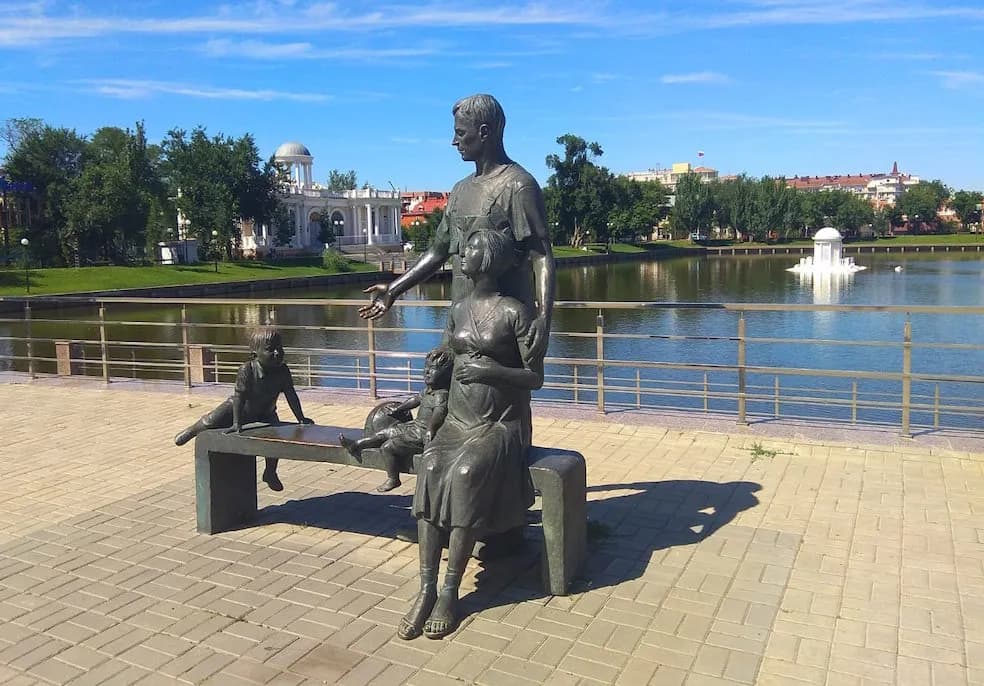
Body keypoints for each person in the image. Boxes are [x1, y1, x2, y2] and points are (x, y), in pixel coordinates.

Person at [398, 228, 542, 641]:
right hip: (458, 420)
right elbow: (445, 359)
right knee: (431, 464)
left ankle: (449, 590)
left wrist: (491, 371)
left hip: (500, 422)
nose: (463, 252)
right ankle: (425, 587)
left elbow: (535, 377)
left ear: (492, 259)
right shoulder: (458, 308)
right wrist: (433, 391)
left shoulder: (515, 312)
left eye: (473, 247)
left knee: (463, 477)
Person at [358, 93, 555, 365]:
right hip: (460, 324)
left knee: (496, 400)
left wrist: (544, 318)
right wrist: (394, 289)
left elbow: (541, 255)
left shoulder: (518, 186)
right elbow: (438, 250)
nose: (454, 141)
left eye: (461, 133)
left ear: (484, 132)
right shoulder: (461, 190)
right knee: (440, 398)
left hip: (501, 332)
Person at [174, 326, 314, 491]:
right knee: (211, 420)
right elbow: (239, 397)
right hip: (240, 408)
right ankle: (192, 430)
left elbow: (291, 395)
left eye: (279, 348)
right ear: (255, 355)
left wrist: (301, 418)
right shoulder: (246, 370)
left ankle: (270, 473)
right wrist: (236, 422)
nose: (277, 353)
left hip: (266, 413)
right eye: (270, 350)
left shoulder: (283, 371)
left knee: (274, 444)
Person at [339, 345, 453, 493]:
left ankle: (394, 478)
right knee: (385, 433)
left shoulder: (441, 395)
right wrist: (399, 409)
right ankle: (356, 445)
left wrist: (431, 430)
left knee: (388, 447)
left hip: (421, 434)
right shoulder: (428, 391)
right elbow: (414, 400)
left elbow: (439, 413)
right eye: (426, 368)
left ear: (445, 374)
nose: (427, 372)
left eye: (433, 369)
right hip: (413, 426)